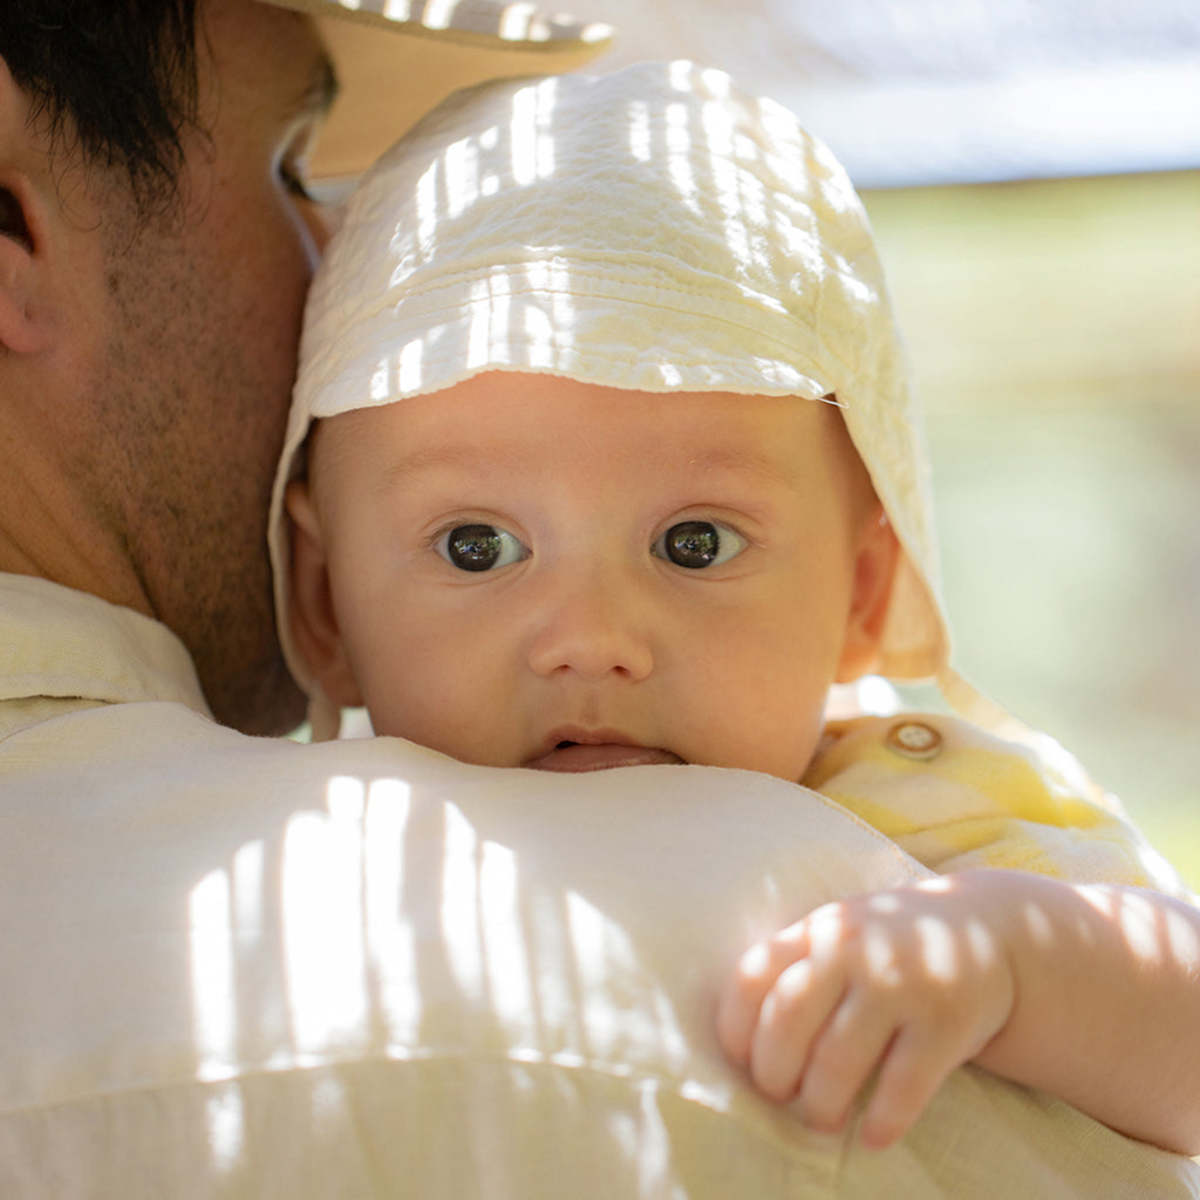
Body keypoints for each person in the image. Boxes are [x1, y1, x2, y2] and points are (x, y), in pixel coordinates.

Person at [2, 1, 1198, 1194]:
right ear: (326, 605)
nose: (589, 640)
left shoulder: (936, 804)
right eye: (475, 548)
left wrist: (1015, 959)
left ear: (865, 590)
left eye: (693, 543)